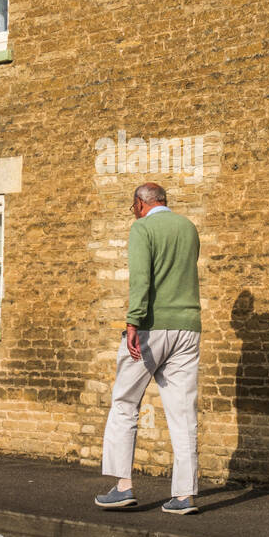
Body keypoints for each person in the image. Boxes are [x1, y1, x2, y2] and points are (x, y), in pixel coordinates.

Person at [96, 182, 202, 515]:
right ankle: (184, 496)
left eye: (133, 208)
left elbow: (141, 279)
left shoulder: (142, 228)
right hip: (188, 328)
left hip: (151, 328)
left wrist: (132, 322)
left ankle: (123, 487)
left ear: (140, 204)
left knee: (125, 401)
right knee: (183, 413)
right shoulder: (188, 227)